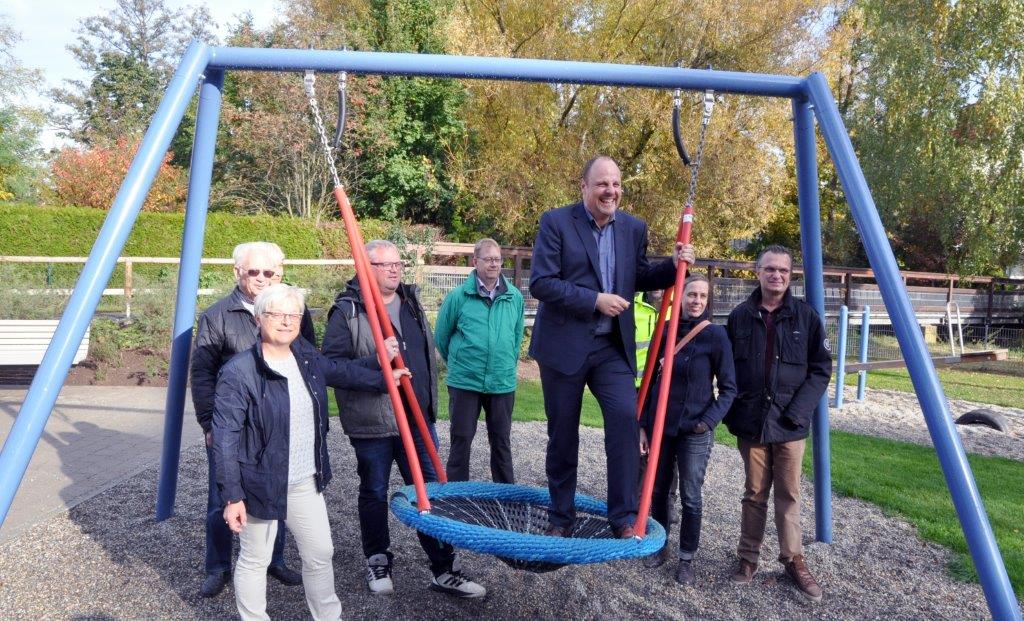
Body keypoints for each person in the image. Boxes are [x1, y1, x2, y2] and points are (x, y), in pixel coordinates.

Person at [215, 284, 406, 621]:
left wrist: (384, 376)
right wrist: (232, 496)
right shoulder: (239, 372)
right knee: (255, 558)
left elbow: (345, 373)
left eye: (294, 315)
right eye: (277, 314)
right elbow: (226, 438)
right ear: (259, 319)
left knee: (320, 552)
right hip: (259, 482)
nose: (286, 321)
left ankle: (328, 617)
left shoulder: (305, 358)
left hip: (304, 479)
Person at [528, 155, 694, 539]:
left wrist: (672, 265)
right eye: (603, 184)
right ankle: (561, 518)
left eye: (616, 184)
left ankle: (622, 516)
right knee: (563, 434)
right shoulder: (556, 223)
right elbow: (541, 283)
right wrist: (594, 300)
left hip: (610, 348)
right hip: (564, 347)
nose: (611, 191)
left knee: (623, 423)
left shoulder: (632, 228)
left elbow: (639, 275)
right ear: (584, 187)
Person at [321, 240, 486, 598]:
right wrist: (377, 370)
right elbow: (329, 368)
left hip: (417, 420)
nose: (395, 270)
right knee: (375, 492)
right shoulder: (349, 310)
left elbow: (424, 357)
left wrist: (428, 408)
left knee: (431, 493)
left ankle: (444, 569)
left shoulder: (409, 302)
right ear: (366, 267)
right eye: (385, 264)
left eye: (398, 263)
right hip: (374, 423)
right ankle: (378, 560)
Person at [191, 241, 315, 597]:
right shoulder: (217, 317)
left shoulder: (295, 312)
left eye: (269, 272)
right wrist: (208, 424)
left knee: (275, 492)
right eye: (254, 271)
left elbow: (308, 361)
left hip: (277, 424)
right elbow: (202, 376)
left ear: (281, 273)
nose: (262, 278)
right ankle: (217, 566)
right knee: (223, 497)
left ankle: (274, 560)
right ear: (237, 273)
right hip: (233, 427)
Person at [724, 244, 831, 603]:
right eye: (770, 269)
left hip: (790, 422)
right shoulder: (739, 316)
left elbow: (820, 369)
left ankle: (793, 559)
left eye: (784, 271)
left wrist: (799, 412)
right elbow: (726, 371)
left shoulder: (806, 317)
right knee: (754, 493)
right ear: (757, 272)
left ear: (791, 275)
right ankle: (747, 559)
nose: (777, 276)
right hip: (751, 422)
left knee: (789, 494)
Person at [638, 274, 736, 585]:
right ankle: (660, 545)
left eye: (702, 296)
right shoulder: (665, 331)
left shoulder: (715, 337)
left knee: (691, 496)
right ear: (680, 297)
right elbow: (651, 382)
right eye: (690, 294)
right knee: (659, 491)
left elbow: (730, 389)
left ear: (708, 302)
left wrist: (706, 422)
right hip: (662, 427)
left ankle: (687, 558)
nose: (695, 301)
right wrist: (643, 425)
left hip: (694, 428)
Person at [434, 238, 525, 484]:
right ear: (475, 261)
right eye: (488, 259)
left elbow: (516, 338)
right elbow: (441, 337)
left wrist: (505, 364)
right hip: (465, 381)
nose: (494, 264)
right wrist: (461, 362)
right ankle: (457, 497)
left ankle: (507, 498)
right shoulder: (458, 297)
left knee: (501, 442)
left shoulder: (514, 297)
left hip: (501, 382)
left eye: (497, 259)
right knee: (461, 440)